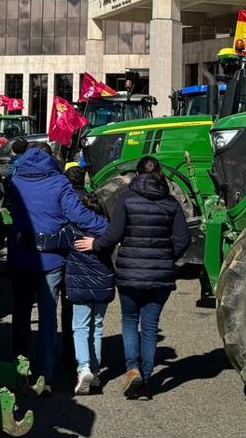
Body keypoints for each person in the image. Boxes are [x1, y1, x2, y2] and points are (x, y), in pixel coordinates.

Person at [77, 156, 190, 399]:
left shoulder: (127, 200)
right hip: (161, 275)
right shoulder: (171, 203)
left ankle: (132, 369)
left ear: (137, 175)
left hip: (129, 273)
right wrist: (167, 258)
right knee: (149, 327)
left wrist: (95, 244)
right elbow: (183, 240)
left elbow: (113, 235)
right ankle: (146, 379)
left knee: (129, 320)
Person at [6, 144, 107, 393]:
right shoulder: (59, 184)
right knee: (48, 317)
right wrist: (106, 227)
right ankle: (46, 375)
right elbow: (79, 215)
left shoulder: (14, 180)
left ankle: (18, 366)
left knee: (20, 314)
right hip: (50, 259)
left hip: (20, 256)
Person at [62, 163, 114, 395]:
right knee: (98, 327)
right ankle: (96, 371)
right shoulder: (108, 231)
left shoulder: (72, 230)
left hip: (79, 283)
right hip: (103, 281)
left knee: (80, 327)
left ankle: (83, 368)